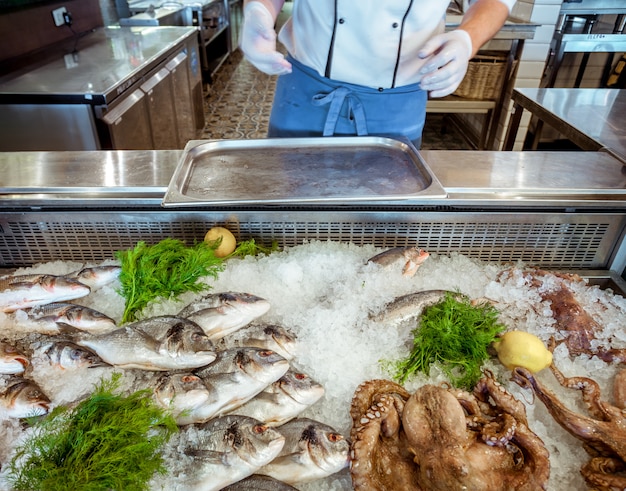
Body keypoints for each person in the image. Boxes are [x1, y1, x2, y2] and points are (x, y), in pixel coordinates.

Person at [240, 0, 516, 147]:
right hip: (305, 93)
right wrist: (258, 9)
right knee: (290, 201)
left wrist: (467, 39)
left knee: (382, 217)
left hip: (397, 106)